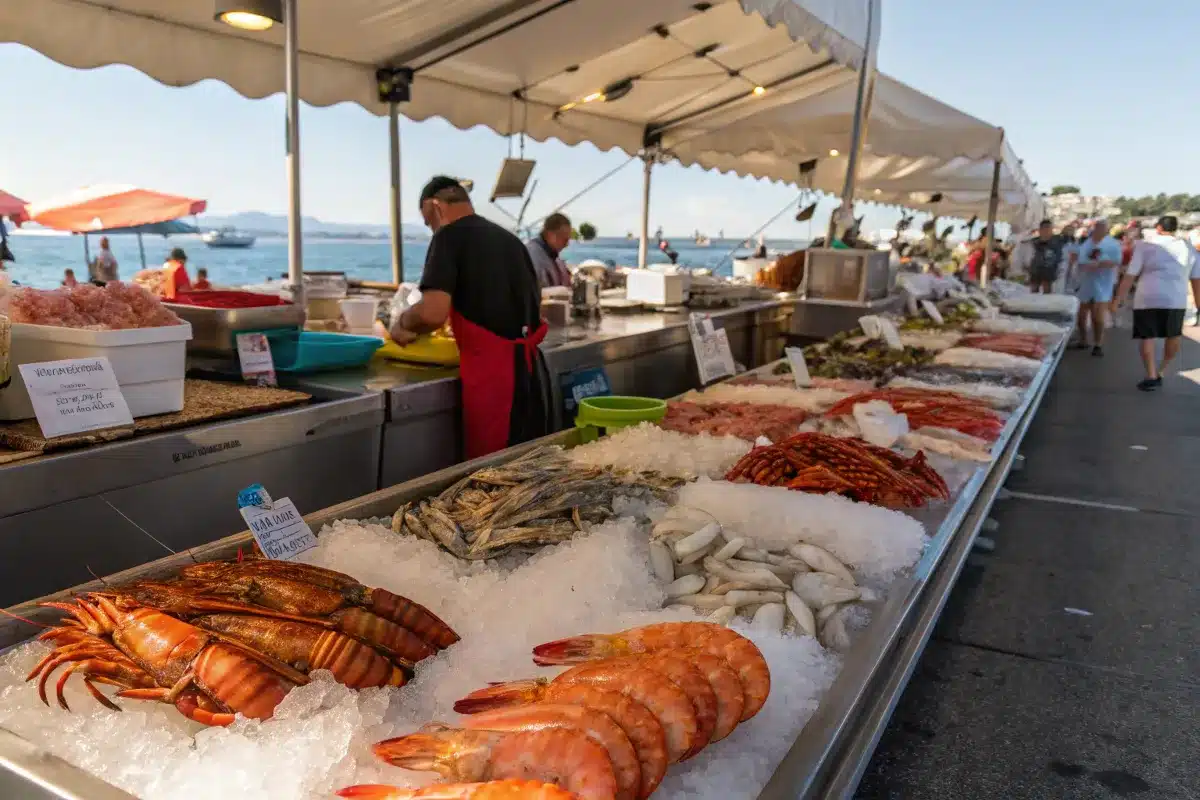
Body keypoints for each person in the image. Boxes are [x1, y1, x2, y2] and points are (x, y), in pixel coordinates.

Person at [389, 176, 551, 459]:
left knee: (491, 483)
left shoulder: (448, 237)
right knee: (528, 476)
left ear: (435, 207)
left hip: (495, 382)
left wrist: (402, 322)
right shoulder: (511, 241)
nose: (432, 230)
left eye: (428, 222)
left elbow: (432, 312)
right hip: (532, 375)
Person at [1113, 215, 1200, 391]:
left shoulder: (1145, 246)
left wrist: (1118, 299)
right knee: (1173, 335)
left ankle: (1151, 374)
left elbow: (1130, 275)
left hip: (1147, 298)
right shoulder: (1189, 248)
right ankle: (1162, 369)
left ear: (1159, 227)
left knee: (1147, 336)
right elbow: (1196, 280)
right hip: (1175, 298)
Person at [1073, 219, 1121, 356]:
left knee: (1098, 316)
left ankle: (1098, 344)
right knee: (1081, 315)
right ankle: (1083, 340)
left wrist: (1101, 264)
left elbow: (1116, 262)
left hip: (1103, 283)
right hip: (1085, 282)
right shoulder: (1086, 243)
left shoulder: (1112, 245)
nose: (1098, 230)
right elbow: (1080, 261)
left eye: (1101, 228)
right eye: (1097, 228)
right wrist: (1083, 266)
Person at [525, 213, 573, 289]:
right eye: (565, 240)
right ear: (551, 235)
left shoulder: (553, 256)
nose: (566, 245)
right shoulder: (532, 255)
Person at [1027, 219, 1067, 293]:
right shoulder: (1034, 242)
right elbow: (1029, 256)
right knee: (1034, 290)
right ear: (1040, 230)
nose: (1047, 231)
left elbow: (1061, 257)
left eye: (1049, 228)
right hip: (1036, 270)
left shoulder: (1058, 242)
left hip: (1050, 270)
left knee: (1047, 291)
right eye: (1045, 228)